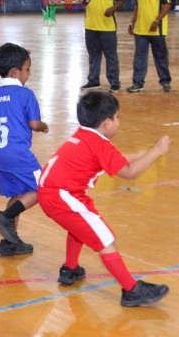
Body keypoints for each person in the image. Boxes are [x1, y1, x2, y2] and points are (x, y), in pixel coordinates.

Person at [38, 91, 171, 306]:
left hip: (51, 193)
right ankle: (131, 289)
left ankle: (70, 269)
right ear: (107, 123)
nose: (119, 121)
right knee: (105, 239)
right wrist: (156, 151)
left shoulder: (84, 136)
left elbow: (111, 160)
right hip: (62, 195)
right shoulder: (100, 144)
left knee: (79, 228)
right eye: (117, 117)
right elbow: (129, 173)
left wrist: (140, 155)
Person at [0, 43, 50, 256]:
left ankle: (11, 242)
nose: (28, 74)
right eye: (27, 69)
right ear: (16, 71)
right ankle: (4, 218)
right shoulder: (25, 94)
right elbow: (33, 123)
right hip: (19, 154)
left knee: (19, 193)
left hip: (0, 155)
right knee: (43, 187)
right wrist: (43, 126)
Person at [78, 0, 126, 92]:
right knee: (93, 54)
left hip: (108, 27)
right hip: (91, 26)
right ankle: (93, 81)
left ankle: (114, 82)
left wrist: (113, 8)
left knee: (111, 55)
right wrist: (84, 1)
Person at [127, 0, 174, 93]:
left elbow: (167, 4)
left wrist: (157, 21)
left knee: (160, 56)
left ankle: (165, 82)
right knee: (139, 57)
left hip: (156, 29)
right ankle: (138, 83)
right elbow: (137, 6)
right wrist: (132, 22)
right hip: (141, 30)